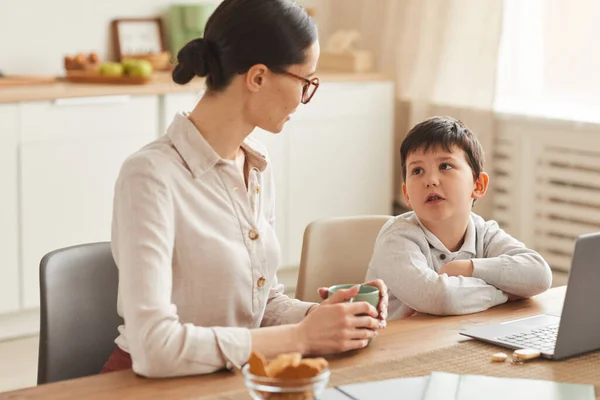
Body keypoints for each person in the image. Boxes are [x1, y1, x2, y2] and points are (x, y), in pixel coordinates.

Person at [101, 0, 388, 378]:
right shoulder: (150, 177)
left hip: (235, 376)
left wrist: (323, 316)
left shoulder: (255, 165)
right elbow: (154, 348)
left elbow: (260, 304)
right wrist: (300, 337)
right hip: (150, 386)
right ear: (257, 77)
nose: (305, 99)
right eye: (306, 82)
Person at [366, 116, 552, 320]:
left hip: (456, 340)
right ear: (407, 194)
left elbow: (539, 275)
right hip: (400, 348)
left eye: (445, 166)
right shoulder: (396, 238)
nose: (430, 180)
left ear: (478, 185)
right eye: (417, 170)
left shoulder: (484, 232)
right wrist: (507, 292)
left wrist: (468, 269)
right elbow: (439, 297)